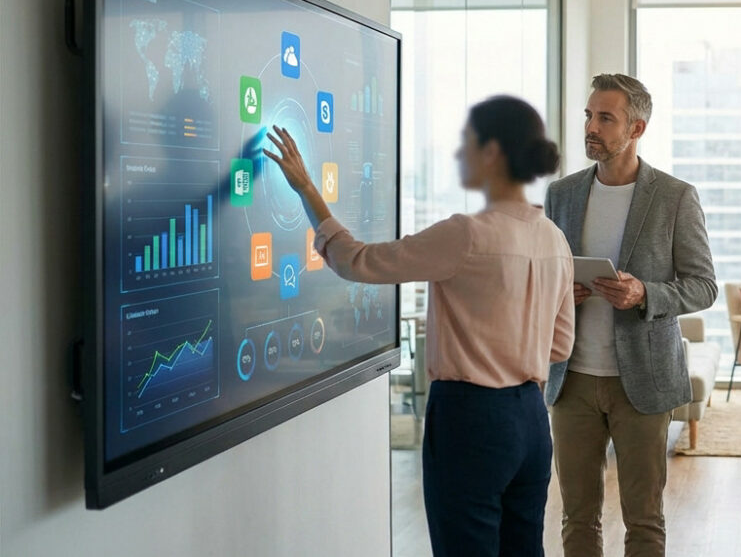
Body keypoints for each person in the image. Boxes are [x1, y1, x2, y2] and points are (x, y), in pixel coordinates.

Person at [264, 96, 574, 557]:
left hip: (472, 419)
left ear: (493, 153)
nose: (457, 154)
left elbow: (357, 261)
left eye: (466, 143)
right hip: (531, 419)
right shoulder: (554, 237)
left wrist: (307, 189)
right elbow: (561, 343)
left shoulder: (466, 233)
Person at [545, 74, 717, 557]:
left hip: (642, 381)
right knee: (576, 518)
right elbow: (543, 277)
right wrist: (562, 292)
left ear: (636, 128)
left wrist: (644, 293)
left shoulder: (674, 196)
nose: (591, 127)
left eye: (605, 118)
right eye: (588, 115)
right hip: (571, 378)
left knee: (644, 521)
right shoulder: (561, 194)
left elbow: (704, 286)